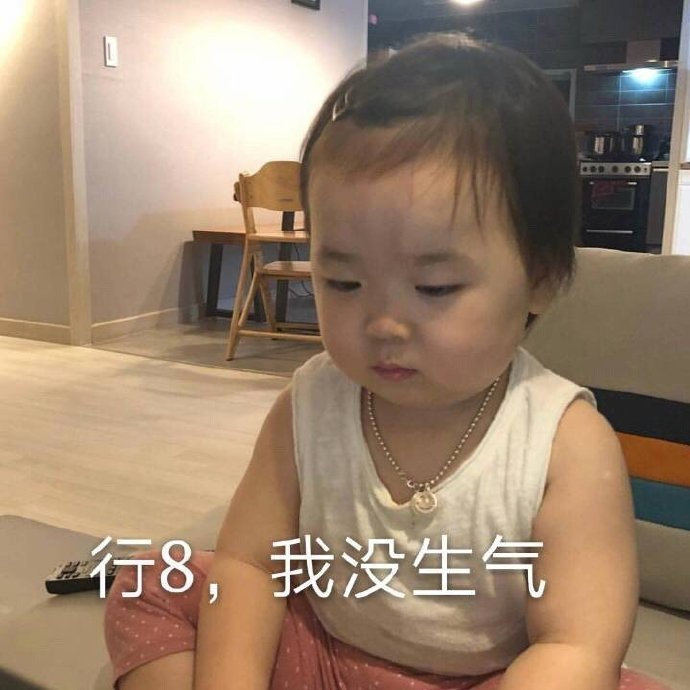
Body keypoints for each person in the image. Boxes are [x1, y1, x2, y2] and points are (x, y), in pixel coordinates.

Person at [103, 32, 671, 690]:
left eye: (435, 288)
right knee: (153, 582)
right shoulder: (310, 404)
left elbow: (574, 644)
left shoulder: (564, 442)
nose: (381, 324)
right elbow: (250, 565)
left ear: (539, 279)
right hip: (323, 656)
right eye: (343, 282)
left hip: (489, 677)